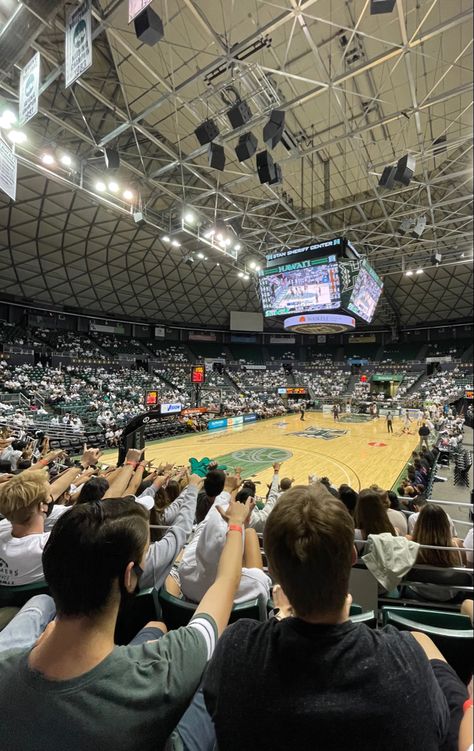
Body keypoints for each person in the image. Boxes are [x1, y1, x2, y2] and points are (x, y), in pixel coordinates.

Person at [202, 483, 468, 751]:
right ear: (353, 556)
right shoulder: (405, 656)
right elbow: (443, 725)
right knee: (421, 639)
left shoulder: (236, 648)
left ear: (271, 566)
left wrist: (280, 618)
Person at [0, 493, 254, 751]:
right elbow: (225, 582)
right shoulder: (162, 671)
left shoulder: (5, 666)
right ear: (129, 576)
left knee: (155, 627)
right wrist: (236, 524)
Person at [409, 504, 464, 602]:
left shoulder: (410, 545)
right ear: (446, 525)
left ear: (419, 525)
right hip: (450, 598)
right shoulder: (458, 545)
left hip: (417, 595)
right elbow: (465, 574)